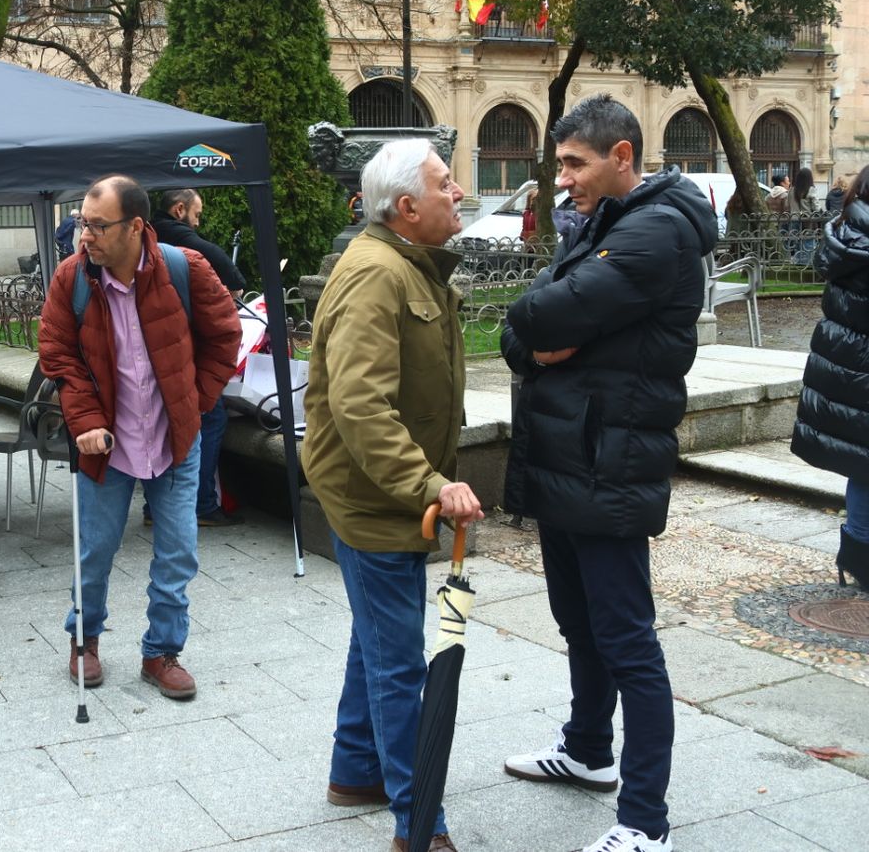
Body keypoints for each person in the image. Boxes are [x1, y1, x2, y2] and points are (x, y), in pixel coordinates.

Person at [499, 94, 716, 852]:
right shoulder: (603, 222)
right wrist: (539, 333)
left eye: (575, 163)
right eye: (561, 163)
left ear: (623, 156)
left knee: (627, 640)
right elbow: (525, 324)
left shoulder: (655, 231)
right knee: (578, 622)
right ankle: (589, 749)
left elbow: (543, 315)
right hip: (572, 455)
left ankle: (645, 822)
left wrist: (543, 331)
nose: (563, 179)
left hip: (610, 461)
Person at [300, 139, 483, 852]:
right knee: (400, 661)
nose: (458, 190)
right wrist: (432, 484)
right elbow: (362, 407)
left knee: (377, 638)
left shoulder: (405, 263)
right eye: (444, 182)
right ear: (406, 207)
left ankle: (355, 770)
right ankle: (418, 818)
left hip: (383, 494)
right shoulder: (380, 274)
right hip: (374, 497)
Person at [37, 174, 239, 701]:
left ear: (136, 227)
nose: (87, 235)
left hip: (173, 439)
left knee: (178, 552)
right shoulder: (72, 278)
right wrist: (84, 422)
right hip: (105, 443)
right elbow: (57, 353)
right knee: (95, 550)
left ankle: (162, 652)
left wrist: (194, 403)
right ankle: (84, 641)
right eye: (84, 223)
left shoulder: (184, 270)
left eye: (99, 226)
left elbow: (226, 336)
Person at [791, 164, 869, 592]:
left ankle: (858, 556)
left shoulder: (842, 233)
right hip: (860, 366)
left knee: (863, 466)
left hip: (845, 367)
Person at [151, 187, 247, 528]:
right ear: (179, 210)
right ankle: (201, 504)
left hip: (150, 354)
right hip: (184, 351)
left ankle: (155, 507)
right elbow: (233, 288)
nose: (198, 220)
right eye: (197, 213)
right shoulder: (190, 247)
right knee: (211, 416)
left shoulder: (143, 237)